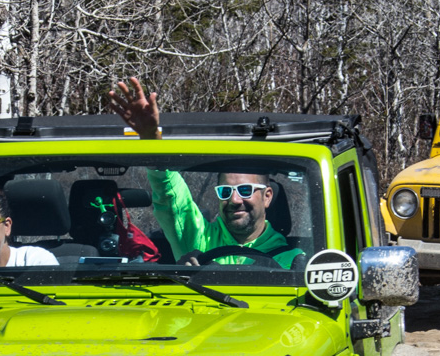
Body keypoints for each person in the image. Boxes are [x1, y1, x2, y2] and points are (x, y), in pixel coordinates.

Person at [106, 77, 302, 268]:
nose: (234, 200)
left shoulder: (293, 260)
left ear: (267, 196)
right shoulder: (197, 239)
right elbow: (172, 200)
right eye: (225, 191)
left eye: (245, 190)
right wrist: (151, 140)